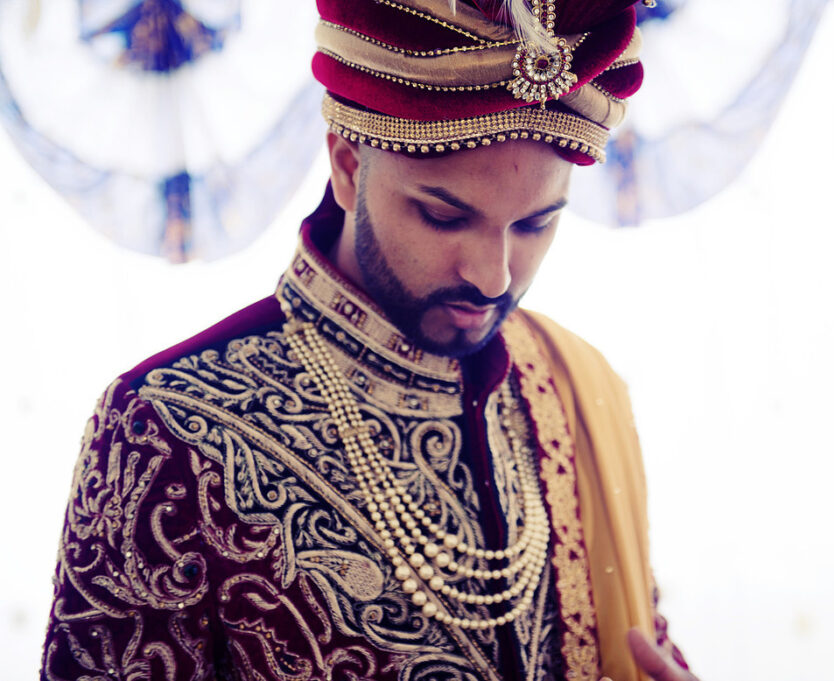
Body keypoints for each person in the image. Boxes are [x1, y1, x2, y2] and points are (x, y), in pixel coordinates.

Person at [38, 1, 697, 680]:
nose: (493, 275)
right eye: (444, 216)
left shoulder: (575, 387)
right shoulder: (165, 428)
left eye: (536, 225)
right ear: (349, 166)